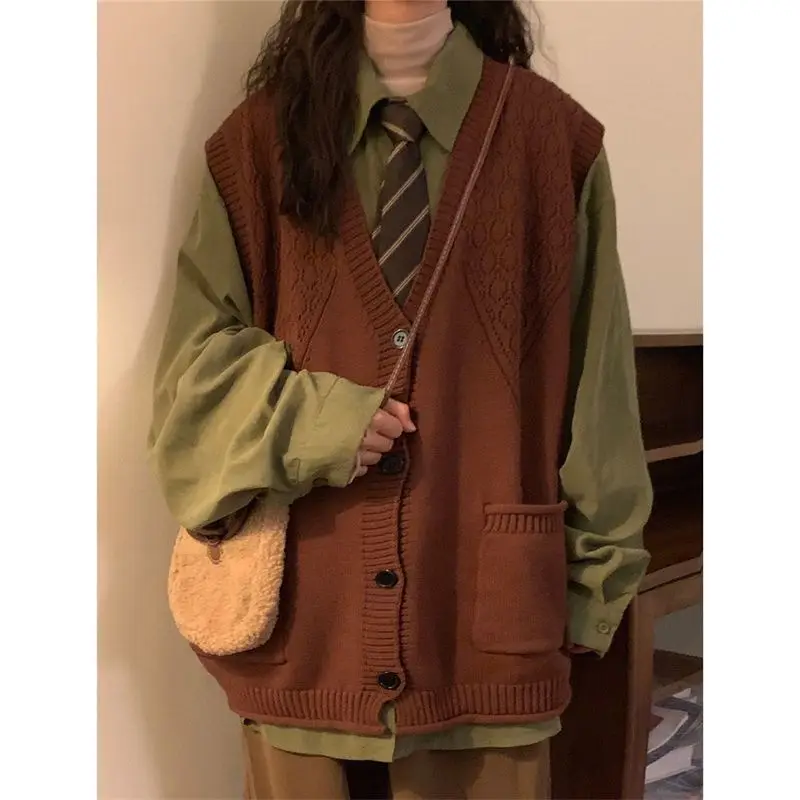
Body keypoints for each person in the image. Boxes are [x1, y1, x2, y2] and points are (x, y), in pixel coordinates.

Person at [148, 1, 652, 797]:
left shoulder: (555, 143)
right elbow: (188, 390)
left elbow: (602, 392)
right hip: (306, 632)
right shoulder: (256, 146)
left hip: (486, 643)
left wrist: (594, 591)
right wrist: (324, 423)